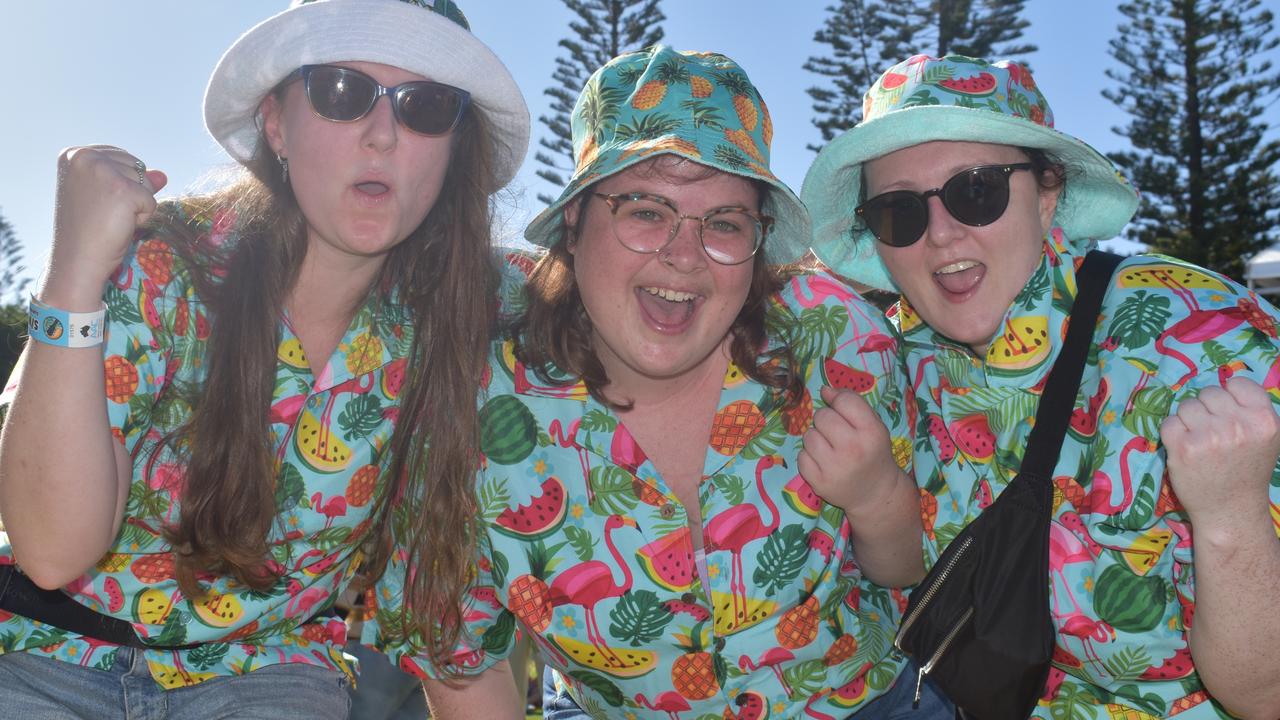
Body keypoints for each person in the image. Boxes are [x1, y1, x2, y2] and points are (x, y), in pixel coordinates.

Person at [0, 0, 528, 716]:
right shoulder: (166, 264)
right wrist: (73, 273)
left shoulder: (468, 318)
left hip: (265, 670)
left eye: (425, 107)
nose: (382, 135)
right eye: (342, 92)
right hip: (42, 651)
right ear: (277, 122)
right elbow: (54, 550)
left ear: (453, 147)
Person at [392, 45, 953, 719]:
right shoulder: (468, 395)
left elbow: (906, 570)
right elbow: (464, 667)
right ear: (574, 221)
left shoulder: (834, 338)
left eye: (723, 223)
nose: (683, 256)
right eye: (646, 210)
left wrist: (878, 495)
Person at [802, 54, 1280, 718]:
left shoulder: (1206, 339)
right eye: (899, 212)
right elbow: (916, 571)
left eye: (976, 190)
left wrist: (1230, 516)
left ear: (1047, 192)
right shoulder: (896, 356)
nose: (941, 234)